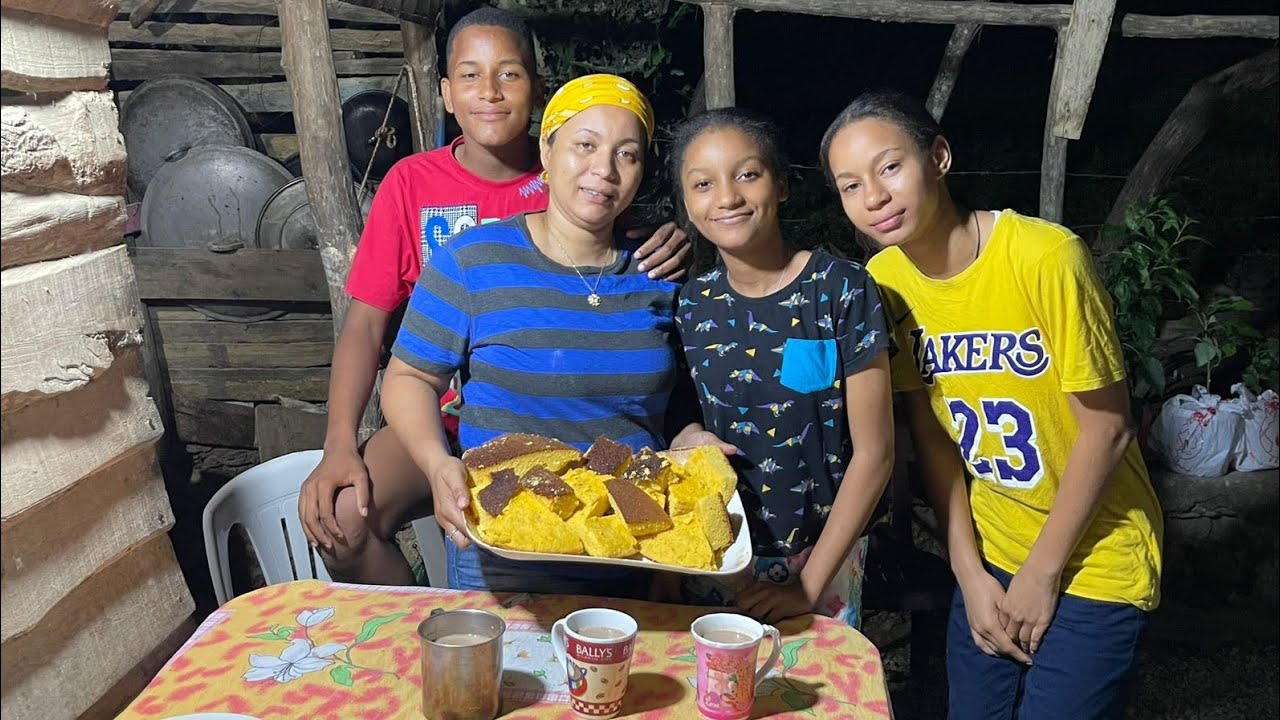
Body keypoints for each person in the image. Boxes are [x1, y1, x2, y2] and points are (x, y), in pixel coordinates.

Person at [296, 7, 689, 585]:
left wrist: (673, 238)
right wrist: (339, 445)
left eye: (509, 74)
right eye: (471, 76)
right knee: (345, 521)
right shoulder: (418, 189)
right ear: (446, 93)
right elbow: (366, 327)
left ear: (538, 93)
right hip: (447, 409)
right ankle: (425, 629)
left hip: (559, 411)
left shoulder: (582, 174)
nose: (490, 92)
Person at [821, 92, 1163, 719]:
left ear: (939, 157)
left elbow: (1108, 428)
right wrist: (970, 574)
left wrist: (1040, 574)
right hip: (992, 553)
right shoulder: (887, 281)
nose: (873, 196)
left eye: (889, 167)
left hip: (1095, 557)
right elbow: (933, 437)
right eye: (850, 185)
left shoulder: (1044, 257)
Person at [382, 73, 691, 596]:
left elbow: (676, 404)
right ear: (546, 151)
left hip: (636, 549)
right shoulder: (472, 260)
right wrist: (437, 466)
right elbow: (409, 377)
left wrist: (692, 440)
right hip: (503, 546)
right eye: (585, 145)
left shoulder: (659, 272)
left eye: (627, 154)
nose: (604, 169)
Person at [663, 108, 895, 627]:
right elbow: (681, 415)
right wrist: (687, 438)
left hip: (821, 559)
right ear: (686, 204)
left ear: (782, 185)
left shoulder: (842, 290)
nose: (727, 197)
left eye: (748, 174)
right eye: (703, 183)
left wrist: (808, 586)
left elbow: (876, 454)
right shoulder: (690, 303)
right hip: (716, 555)